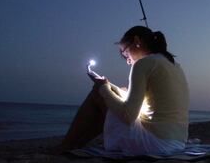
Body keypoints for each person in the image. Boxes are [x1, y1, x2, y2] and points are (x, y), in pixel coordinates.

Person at [59, 26, 189, 155]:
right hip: (177, 143)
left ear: (137, 41)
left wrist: (103, 88)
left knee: (97, 93)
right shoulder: (174, 65)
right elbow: (154, 105)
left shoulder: (143, 64)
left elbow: (128, 115)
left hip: (157, 144)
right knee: (107, 94)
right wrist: (109, 87)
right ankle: (75, 144)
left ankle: (66, 145)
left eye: (125, 53)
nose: (127, 61)